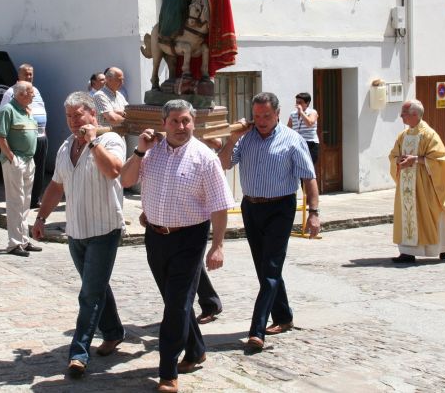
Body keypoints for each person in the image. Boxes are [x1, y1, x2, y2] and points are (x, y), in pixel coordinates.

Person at [120, 99, 235, 393]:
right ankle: (196, 350)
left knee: (176, 306)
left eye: (186, 121)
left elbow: (220, 207)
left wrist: (217, 245)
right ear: (164, 123)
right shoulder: (152, 151)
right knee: (176, 303)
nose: (181, 127)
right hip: (155, 238)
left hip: (190, 238)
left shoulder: (204, 158)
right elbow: (126, 180)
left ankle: (167, 372)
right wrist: (139, 149)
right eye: (175, 121)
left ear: (193, 122)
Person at [32, 91, 126, 377]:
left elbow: (114, 171)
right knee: (95, 287)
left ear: (92, 115)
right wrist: (41, 217)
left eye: (78, 116)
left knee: (89, 294)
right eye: (69, 117)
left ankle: (78, 353)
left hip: (104, 229)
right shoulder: (64, 148)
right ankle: (113, 331)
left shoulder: (110, 141)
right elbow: (56, 186)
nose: (73, 122)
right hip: (76, 231)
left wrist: (93, 141)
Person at [218, 92, 320, 353]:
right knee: (265, 268)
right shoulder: (246, 139)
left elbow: (309, 178)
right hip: (251, 207)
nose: (261, 121)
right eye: (257, 116)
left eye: (266, 116)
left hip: (280, 208)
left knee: (271, 267)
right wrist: (232, 139)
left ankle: (257, 330)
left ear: (277, 114)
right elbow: (224, 163)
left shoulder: (293, 140)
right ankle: (284, 316)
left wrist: (314, 213)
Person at [388, 99, 445, 263]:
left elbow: (441, 161)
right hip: (407, 186)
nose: (401, 117)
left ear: (415, 115)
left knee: (433, 214)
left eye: (404, 114)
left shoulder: (429, 134)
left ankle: (442, 248)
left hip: (427, 185)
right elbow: (393, 155)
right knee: (408, 215)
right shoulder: (403, 136)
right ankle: (408, 252)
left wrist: (415, 159)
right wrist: (398, 160)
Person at [140, 211, 223, 325]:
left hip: (189, 224)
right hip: (166, 220)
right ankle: (208, 303)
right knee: (191, 267)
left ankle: (202, 307)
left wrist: (217, 246)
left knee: (189, 267)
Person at [0, 81, 43, 257]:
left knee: (25, 202)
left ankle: (23, 239)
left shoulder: (27, 110)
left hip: (29, 160)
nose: (33, 95)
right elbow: (1, 137)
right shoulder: (8, 110)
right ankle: (14, 243)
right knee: (16, 201)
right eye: (31, 92)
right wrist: (12, 158)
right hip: (15, 161)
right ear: (21, 94)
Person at [0, 63, 47, 209]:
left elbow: (41, 110)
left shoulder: (36, 91)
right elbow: (5, 115)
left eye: (31, 74)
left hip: (40, 136)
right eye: (26, 74)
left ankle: (34, 200)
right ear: (18, 75)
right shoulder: (10, 93)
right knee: (21, 174)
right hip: (22, 140)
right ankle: (21, 204)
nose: (29, 76)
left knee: (38, 170)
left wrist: (44, 129)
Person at [287, 92, 319, 165]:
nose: (297, 104)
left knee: (308, 166)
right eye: (297, 102)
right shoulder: (293, 114)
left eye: (300, 102)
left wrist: (301, 112)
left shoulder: (312, 112)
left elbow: (309, 123)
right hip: (297, 143)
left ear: (307, 103)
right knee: (297, 165)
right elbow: (288, 128)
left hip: (310, 143)